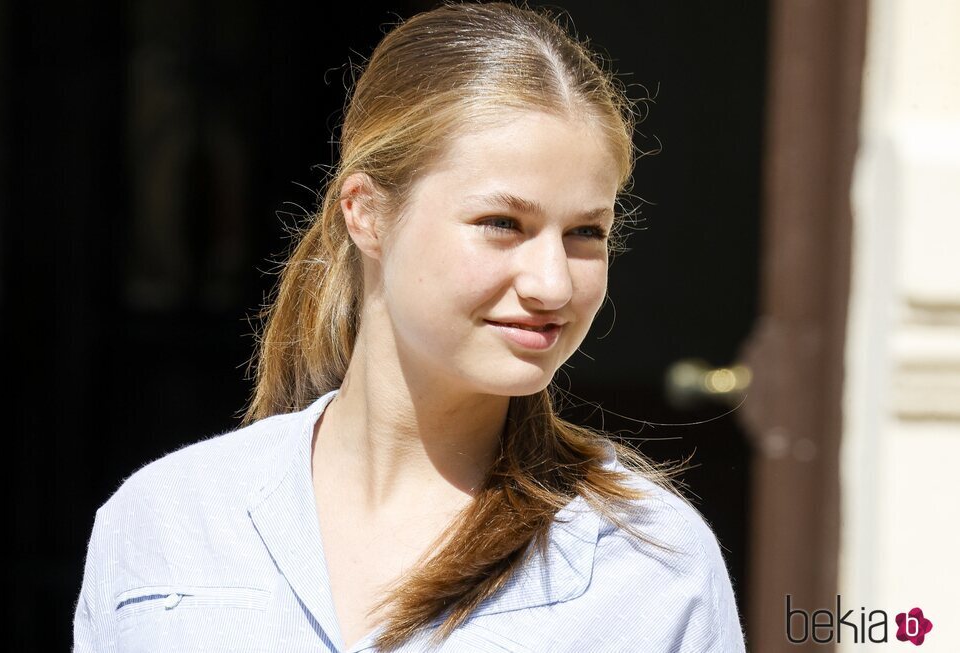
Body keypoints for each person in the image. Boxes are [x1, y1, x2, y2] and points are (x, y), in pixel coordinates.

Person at [72, 2, 747, 651]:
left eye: (585, 233)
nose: (553, 283)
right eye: (502, 223)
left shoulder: (650, 563)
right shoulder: (166, 520)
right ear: (367, 213)